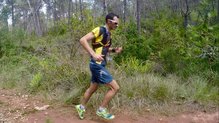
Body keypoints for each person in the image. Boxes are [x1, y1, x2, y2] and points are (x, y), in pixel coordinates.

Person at [75, 13, 122, 120]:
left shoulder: (108, 34)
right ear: (109, 21)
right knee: (115, 88)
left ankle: (81, 107)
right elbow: (83, 40)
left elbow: (103, 48)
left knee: (93, 88)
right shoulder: (100, 30)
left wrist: (114, 50)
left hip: (99, 64)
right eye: (115, 23)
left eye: (118, 24)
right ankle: (101, 110)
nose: (117, 25)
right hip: (97, 65)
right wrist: (93, 54)